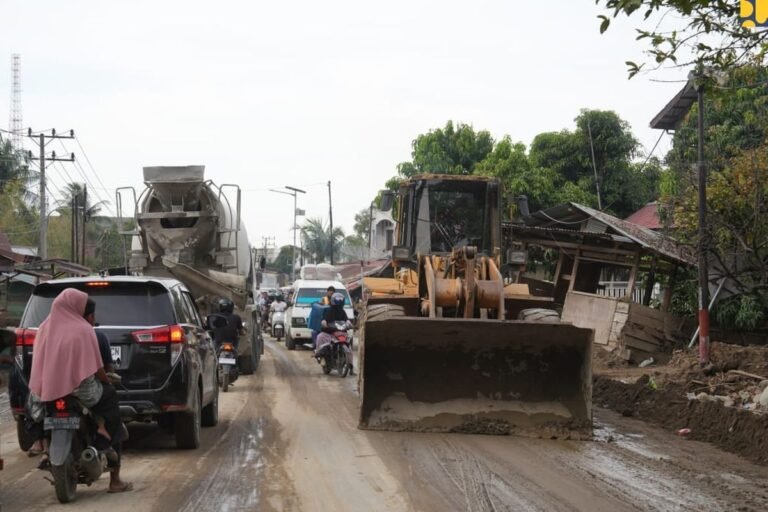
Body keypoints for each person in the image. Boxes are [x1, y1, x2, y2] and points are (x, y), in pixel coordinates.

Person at [28, 288, 132, 493]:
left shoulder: (44, 328)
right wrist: (107, 382)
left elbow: (38, 366)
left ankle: (40, 443)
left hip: (49, 391)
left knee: (32, 408)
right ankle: (115, 478)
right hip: (81, 392)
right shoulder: (83, 329)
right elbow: (97, 368)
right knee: (111, 402)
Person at [314, 292, 354, 374]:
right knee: (320, 337)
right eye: (337, 300)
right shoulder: (329, 310)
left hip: (341, 332)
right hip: (330, 332)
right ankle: (321, 356)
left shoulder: (343, 311)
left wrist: (349, 323)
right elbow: (325, 319)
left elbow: (346, 320)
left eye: (340, 300)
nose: (339, 302)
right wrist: (324, 322)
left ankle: (351, 368)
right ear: (333, 301)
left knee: (349, 349)